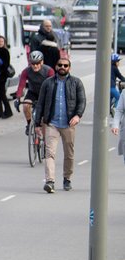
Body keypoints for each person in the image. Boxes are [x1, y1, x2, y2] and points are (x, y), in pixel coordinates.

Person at [34, 58, 86, 193]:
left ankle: (67, 178)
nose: (62, 67)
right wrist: (37, 123)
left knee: (69, 154)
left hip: (69, 124)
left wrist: (77, 115)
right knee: (49, 153)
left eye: (65, 65)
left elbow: (82, 101)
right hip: (52, 123)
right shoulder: (48, 83)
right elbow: (40, 103)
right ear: (56, 66)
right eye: (60, 65)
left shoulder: (76, 83)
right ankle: (50, 181)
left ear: (69, 67)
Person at [15, 51, 53, 131]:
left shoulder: (49, 71)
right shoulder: (26, 71)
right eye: (33, 63)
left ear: (42, 62)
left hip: (45, 93)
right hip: (32, 92)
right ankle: (29, 124)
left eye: (37, 63)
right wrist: (18, 98)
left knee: (44, 118)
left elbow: (53, 86)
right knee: (26, 105)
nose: (35, 66)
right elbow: (21, 85)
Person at [0, 35, 13, 119]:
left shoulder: (5, 51)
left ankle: (8, 112)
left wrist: (0, 72)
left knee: (1, 94)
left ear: (4, 43)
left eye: (2, 41)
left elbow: (6, 64)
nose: (0, 43)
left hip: (2, 76)